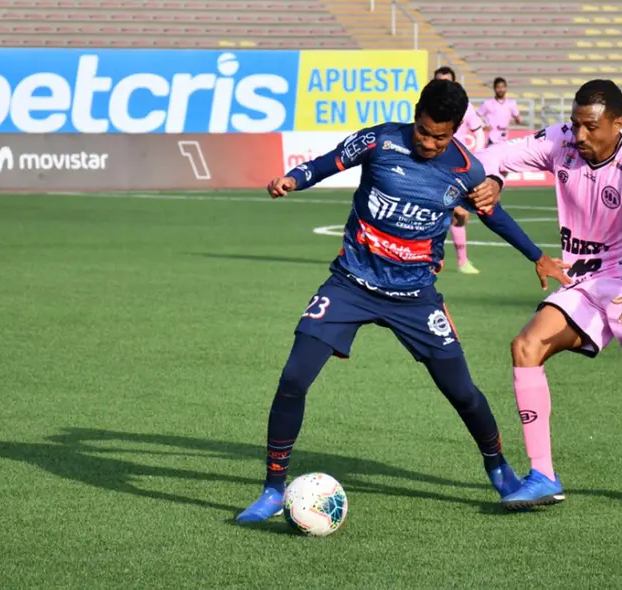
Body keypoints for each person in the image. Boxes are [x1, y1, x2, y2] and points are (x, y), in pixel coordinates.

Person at [236, 79, 570, 521]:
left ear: (456, 130)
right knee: (294, 378)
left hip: (416, 298)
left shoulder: (466, 170)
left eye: (440, 137)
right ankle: (273, 489)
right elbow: (327, 162)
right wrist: (293, 180)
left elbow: (495, 216)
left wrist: (537, 256)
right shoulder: (380, 140)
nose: (429, 143)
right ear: (416, 116)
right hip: (352, 284)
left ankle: (500, 471)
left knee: (463, 392)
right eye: (424, 132)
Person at [471, 79, 622, 510]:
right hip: (585, 280)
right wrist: (493, 178)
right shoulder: (561, 140)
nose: (580, 135)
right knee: (526, 346)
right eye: (575, 124)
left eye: (591, 126)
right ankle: (543, 475)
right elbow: (494, 154)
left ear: (617, 123)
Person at [433, 66, 485, 274]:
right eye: (439, 82)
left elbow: (478, 132)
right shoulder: (430, 106)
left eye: (447, 81)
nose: (443, 86)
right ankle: (433, 258)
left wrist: (476, 157)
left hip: (459, 166)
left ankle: (460, 261)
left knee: (460, 216)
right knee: (452, 211)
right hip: (435, 164)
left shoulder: (466, 106)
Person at [477, 77, 521, 147]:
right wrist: (483, 126)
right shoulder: (487, 103)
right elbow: (476, 116)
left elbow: (518, 120)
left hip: (505, 138)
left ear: (506, 88)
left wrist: (515, 120)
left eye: (502, 87)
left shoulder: (511, 103)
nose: (500, 90)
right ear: (494, 89)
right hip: (492, 138)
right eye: (498, 87)